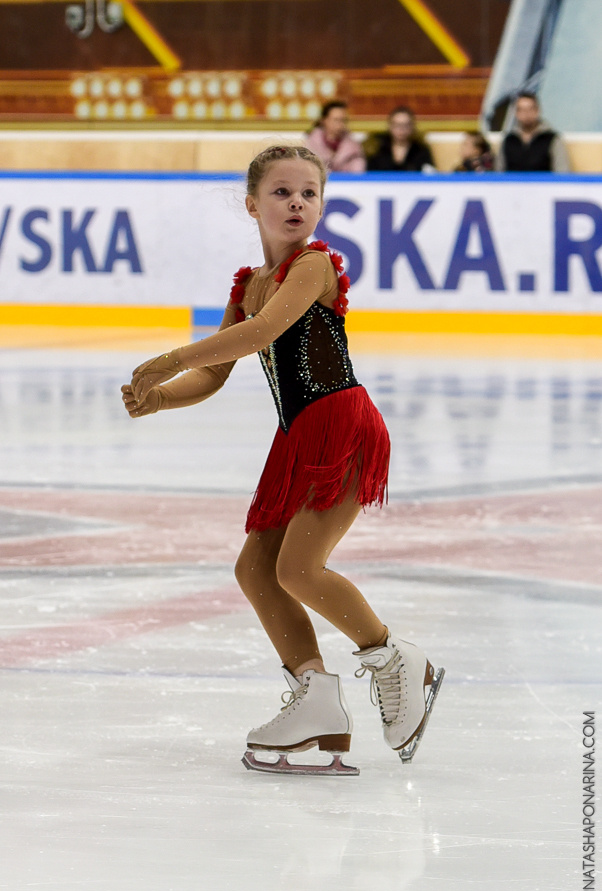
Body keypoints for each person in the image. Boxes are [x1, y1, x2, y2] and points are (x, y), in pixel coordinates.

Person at [121, 145, 444, 776]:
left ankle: (395, 656)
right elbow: (216, 374)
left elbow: (262, 334)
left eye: (309, 193)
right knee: (256, 568)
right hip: (296, 436)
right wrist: (160, 398)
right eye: (281, 192)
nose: (297, 202)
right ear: (252, 205)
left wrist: (168, 358)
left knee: (299, 568)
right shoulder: (248, 286)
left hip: (341, 425)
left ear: (321, 205)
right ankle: (317, 695)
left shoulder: (314, 266)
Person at [497, 91, 570, 172]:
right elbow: (499, 173)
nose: (526, 114)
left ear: (537, 111)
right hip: (513, 184)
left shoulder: (552, 139)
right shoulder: (509, 140)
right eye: (522, 110)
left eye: (530, 109)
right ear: (516, 113)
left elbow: (562, 172)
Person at [366, 105, 435, 172]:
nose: (401, 129)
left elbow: (429, 174)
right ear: (390, 126)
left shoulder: (420, 150)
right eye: (397, 125)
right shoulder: (377, 147)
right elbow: (369, 174)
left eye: (406, 125)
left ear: (412, 127)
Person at [304, 101, 366, 173]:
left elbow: (357, 174)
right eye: (336, 120)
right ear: (324, 121)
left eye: (343, 120)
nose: (340, 125)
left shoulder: (354, 149)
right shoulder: (309, 147)